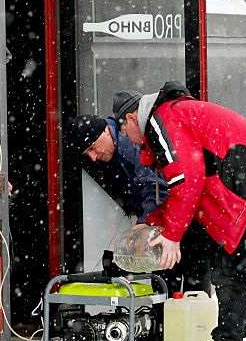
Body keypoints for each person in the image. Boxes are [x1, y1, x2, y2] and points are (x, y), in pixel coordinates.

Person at [115, 81, 246, 341]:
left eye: (125, 131)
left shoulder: (163, 119)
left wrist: (173, 236)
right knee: (232, 269)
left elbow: (186, 180)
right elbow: (187, 186)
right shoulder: (173, 115)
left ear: (132, 118)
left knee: (235, 271)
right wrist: (154, 222)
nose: (130, 140)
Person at [70, 112, 211, 294]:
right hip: (165, 221)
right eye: (87, 153)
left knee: (185, 287)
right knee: (167, 284)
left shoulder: (130, 146)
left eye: (92, 148)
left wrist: (146, 221)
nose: (93, 157)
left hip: (182, 219)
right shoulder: (110, 150)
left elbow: (156, 186)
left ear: (105, 131)